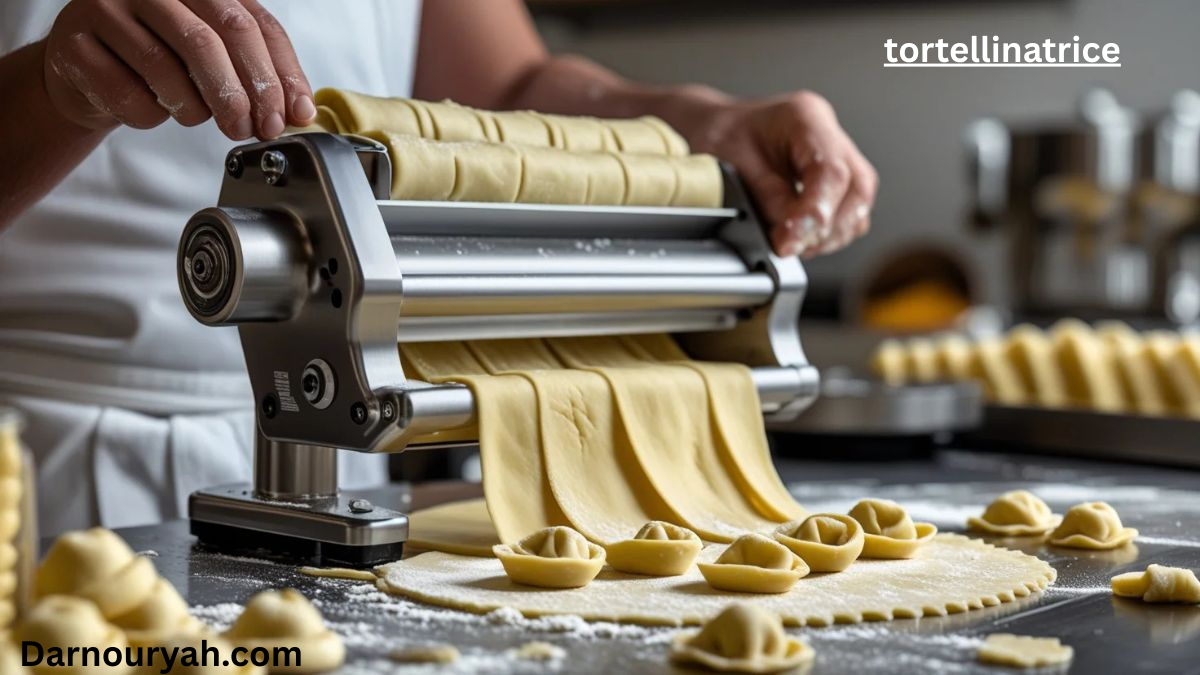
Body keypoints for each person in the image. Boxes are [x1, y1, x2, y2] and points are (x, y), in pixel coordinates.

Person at [0, 0, 877, 534]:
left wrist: (692, 126)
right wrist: (54, 86)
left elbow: (501, 92)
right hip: (39, 460)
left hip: (341, 426)